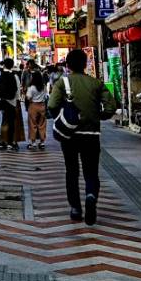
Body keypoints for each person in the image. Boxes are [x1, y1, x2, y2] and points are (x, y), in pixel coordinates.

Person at [47, 49, 117, 225]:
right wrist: (99, 116)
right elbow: (111, 106)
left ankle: (75, 208)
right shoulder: (96, 83)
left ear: (68, 65)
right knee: (91, 171)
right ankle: (91, 195)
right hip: (91, 134)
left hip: (69, 135)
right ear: (85, 64)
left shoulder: (62, 83)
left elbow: (52, 105)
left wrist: (61, 119)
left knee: (71, 171)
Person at [0, 57, 22, 151]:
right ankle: (10, 143)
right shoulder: (15, 76)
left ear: (4, 65)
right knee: (11, 122)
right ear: (12, 66)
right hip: (10, 102)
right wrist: (17, 102)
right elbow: (18, 91)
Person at [25, 69, 48, 151]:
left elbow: (28, 97)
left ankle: (33, 143)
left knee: (32, 124)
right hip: (42, 106)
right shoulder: (43, 86)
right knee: (42, 125)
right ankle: (42, 142)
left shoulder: (31, 88)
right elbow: (46, 97)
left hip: (33, 106)